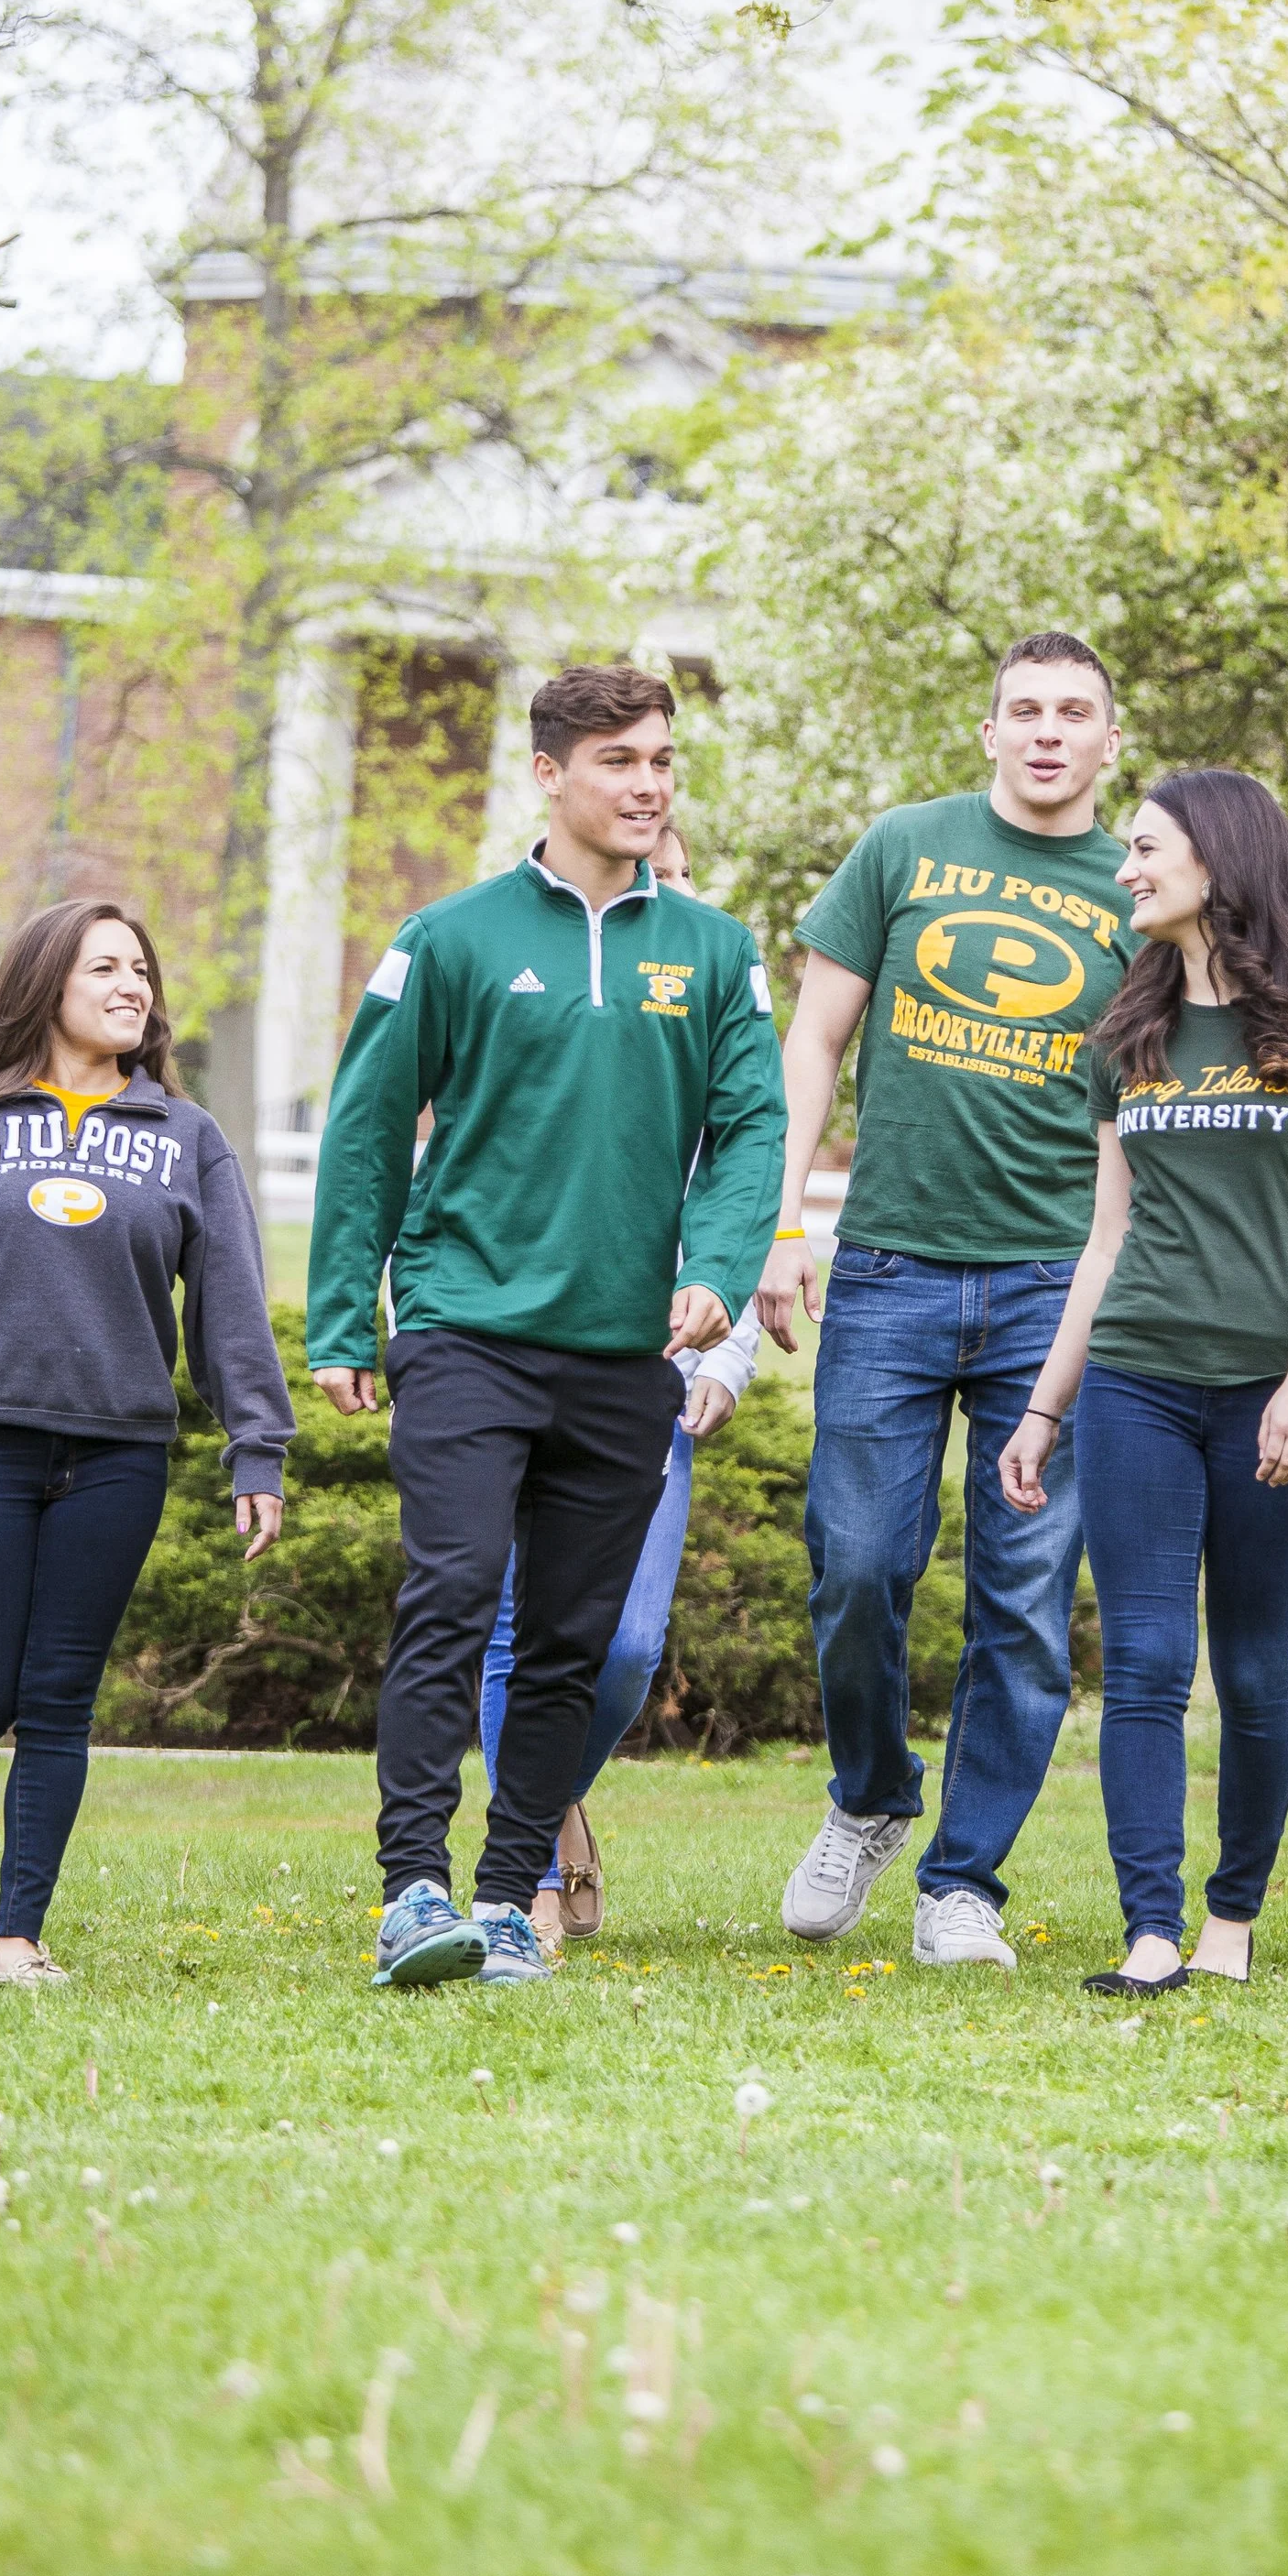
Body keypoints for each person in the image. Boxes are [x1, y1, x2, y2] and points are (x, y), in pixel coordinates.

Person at [307, 663, 785, 1991]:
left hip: (628, 1348)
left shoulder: (715, 950)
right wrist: (346, 1312)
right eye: (621, 760)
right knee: (453, 1592)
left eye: (663, 761)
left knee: (573, 1639)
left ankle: (509, 1894)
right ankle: (413, 1888)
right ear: (549, 773)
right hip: (466, 1324)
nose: (648, 784)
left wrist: (723, 1266)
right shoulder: (450, 937)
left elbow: (752, 1129)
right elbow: (363, 1132)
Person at [760, 630, 1134, 1969]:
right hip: (891, 1264)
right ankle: (868, 1796)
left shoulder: (1145, 890)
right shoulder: (904, 847)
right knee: (857, 1564)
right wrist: (782, 1220)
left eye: (1073, 711)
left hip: (1056, 1285)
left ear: (1108, 740)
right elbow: (812, 1038)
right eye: (1024, 709)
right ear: (989, 734)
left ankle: (961, 1880)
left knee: (1027, 1601)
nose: (1047, 730)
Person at [999, 771, 1288, 1995]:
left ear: (1217, 862)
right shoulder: (1128, 1034)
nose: (1126, 869)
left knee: (1258, 1667)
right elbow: (1106, 1239)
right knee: (1149, 1661)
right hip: (1140, 1382)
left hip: (1281, 1392)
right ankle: (1151, 1931)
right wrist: (1045, 1404)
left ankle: (1232, 1916)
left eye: (1146, 848)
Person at [0, 900, 290, 1990]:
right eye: (106, 968)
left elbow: (230, 1303)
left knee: (57, 1697)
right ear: (47, 984)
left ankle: (17, 1938)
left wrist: (257, 1446)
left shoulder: (187, 1139)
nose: (133, 986)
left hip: (119, 1455)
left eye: (142, 969)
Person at [475, 818, 763, 1942]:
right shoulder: (523, 997)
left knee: (628, 1645)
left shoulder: (717, 1005)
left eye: (674, 876)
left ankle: (543, 1791)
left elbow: (742, 1186)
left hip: (658, 1374)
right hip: (519, 1354)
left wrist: (723, 1355)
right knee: (516, 1629)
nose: (658, 895)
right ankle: (531, 1865)